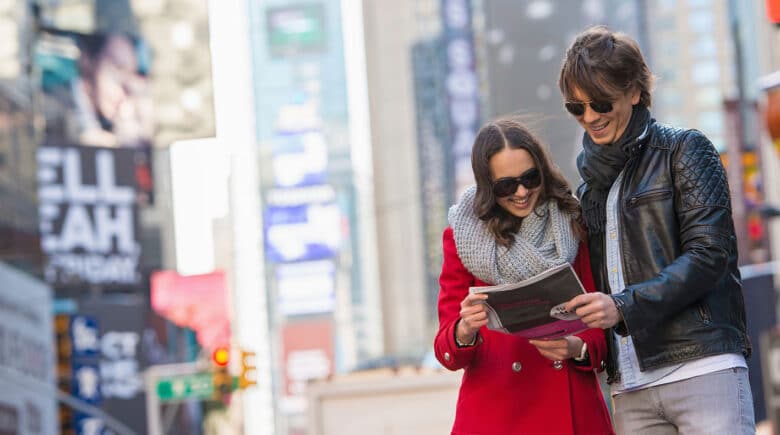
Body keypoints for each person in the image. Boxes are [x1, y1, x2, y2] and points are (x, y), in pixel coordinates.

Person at [560, 26, 755, 434]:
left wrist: (624, 306)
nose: (590, 117)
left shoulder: (684, 149)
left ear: (634, 91)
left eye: (599, 102)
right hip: (630, 385)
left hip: (702, 366)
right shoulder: (589, 188)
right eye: (576, 108)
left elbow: (710, 255)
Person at [433, 116, 614, 435]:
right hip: (497, 413)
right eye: (506, 185)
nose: (521, 192)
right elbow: (447, 348)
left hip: (570, 405)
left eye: (530, 178)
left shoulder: (571, 222)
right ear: (488, 187)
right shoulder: (461, 236)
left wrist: (576, 347)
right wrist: (465, 329)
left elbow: (600, 325)